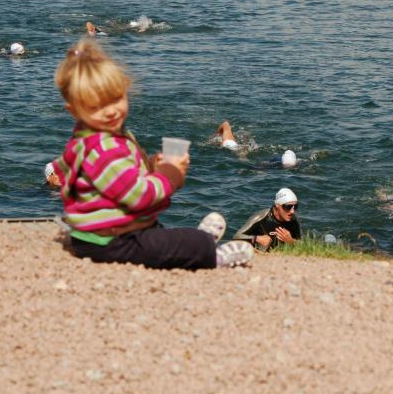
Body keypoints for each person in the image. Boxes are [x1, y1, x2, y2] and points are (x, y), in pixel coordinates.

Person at [49, 38, 253, 269]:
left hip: (94, 236)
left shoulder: (86, 138)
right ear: (74, 110)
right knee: (170, 244)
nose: (111, 111)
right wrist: (169, 175)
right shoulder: (104, 149)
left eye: (116, 99)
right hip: (112, 242)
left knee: (164, 236)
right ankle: (210, 255)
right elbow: (138, 197)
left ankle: (196, 241)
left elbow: (105, 176)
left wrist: (150, 165)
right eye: (96, 107)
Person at [233, 188, 301, 251]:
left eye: (295, 207)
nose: (292, 211)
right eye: (288, 207)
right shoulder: (261, 217)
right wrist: (257, 238)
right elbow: (236, 237)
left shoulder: (293, 220)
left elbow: (302, 244)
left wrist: (291, 241)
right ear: (277, 205)